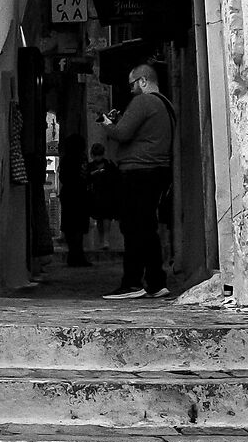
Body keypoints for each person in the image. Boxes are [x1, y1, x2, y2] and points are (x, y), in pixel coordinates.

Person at [101, 63, 175, 298]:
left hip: (138, 172)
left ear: (143, 81)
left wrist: (107, 124)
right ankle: (156, 282)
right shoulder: (166, 104)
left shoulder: (143, 101)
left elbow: (122, 133)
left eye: (132, 84)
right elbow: (143, 132)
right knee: (147, 227)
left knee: (133, 227)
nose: (131, 90)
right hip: (158, 171)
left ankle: (132, 283)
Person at [57, 131, 90, 266]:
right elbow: (84, 176)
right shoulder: (82, 159)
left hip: (69, 194)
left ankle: (73, 256)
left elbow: (63, 177)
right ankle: (78, 256)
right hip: (80, 194)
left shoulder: (66, 159)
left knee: (70, 227)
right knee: (79, 227)